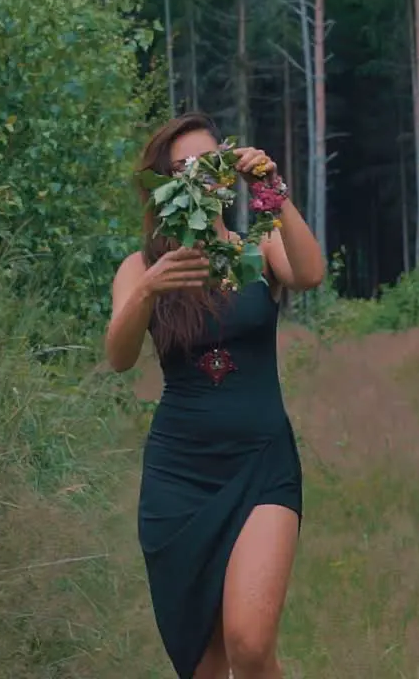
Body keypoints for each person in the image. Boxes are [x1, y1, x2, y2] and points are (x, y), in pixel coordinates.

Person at [104, 112, 326, 679]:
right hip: (179, 476)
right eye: (184, 167)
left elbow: (309, 273)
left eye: (211, 162)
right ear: (165, 182)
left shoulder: (260, 244)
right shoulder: (144, 266)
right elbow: (119, 356)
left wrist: (271, 192)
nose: (200, 175)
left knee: (250, 647)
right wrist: (149, 290)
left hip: (261, 463)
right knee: (204, 666)